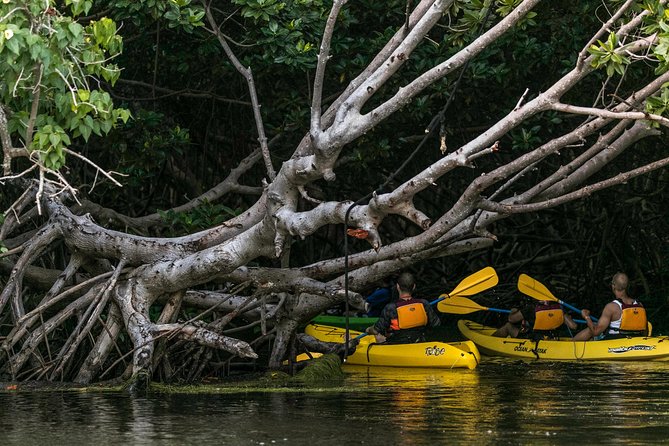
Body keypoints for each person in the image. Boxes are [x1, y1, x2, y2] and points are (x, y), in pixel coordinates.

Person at [364, 272, 440, 344]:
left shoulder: (391, 308)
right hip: (419, 342)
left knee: (379, 337)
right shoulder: (424, 304)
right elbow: (436, 324)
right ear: (414, 287)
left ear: (397, 287)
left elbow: (375, 330)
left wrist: (368, 330)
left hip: (397, 345)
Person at [572, 272, 647, 341]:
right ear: (627, 286)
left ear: (613, 286)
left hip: (615, 341)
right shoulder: (639, 305)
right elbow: (644, 331)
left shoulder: (611, 307)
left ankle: (571, 345)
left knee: (591, 329)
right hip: (635, 340)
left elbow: (595, 332)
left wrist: (586, 317)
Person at [492, 299, 577, 339]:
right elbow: (573, 326)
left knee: (508, 326)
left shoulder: (531, 308)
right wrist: (567, 317)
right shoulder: (559, 308)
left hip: (533, 340)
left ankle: (491, 341)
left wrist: (513, 311)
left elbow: (511, 319)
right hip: (552, 339)